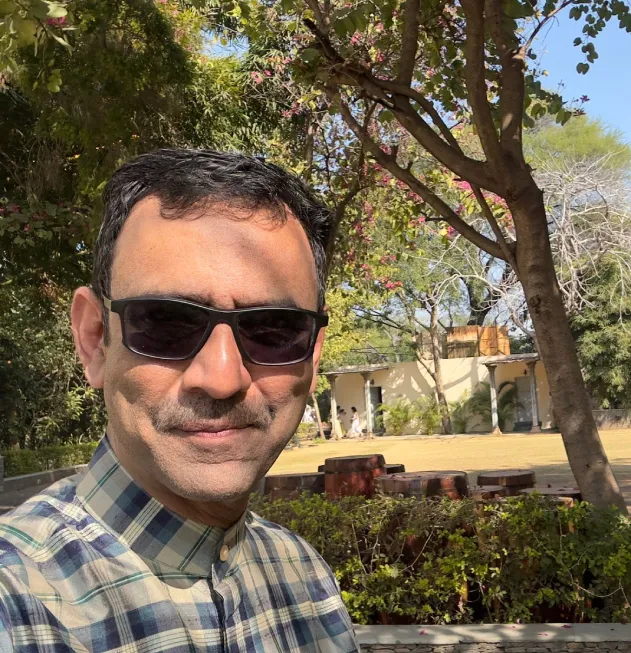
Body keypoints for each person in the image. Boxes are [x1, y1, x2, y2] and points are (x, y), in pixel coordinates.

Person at [0, 150, 359, 652]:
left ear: (313, 356)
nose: (222, 378)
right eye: (166, 323)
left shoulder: (303, 576)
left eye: (275, 329)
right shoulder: (17, 602)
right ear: (94, 339)